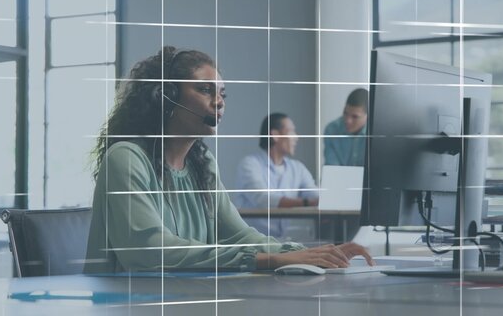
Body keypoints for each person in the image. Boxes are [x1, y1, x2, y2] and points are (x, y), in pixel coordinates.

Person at [84, 47, 374, 273]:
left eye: (222, 93)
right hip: (126, 303)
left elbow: (238, 234)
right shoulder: (126, 158)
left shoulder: (203, 164)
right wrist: (268, 259)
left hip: (182, 298)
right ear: (167, 96)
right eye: (205, 89)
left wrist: (305, 252)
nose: (219, 102)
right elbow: (148, 252)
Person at [232, 113, 319, 239]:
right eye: (291, 131)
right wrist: (307, 203)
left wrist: (326, 199)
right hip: (251, 241)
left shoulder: (297, 168)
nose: (296, 137)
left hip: (281, 240)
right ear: (275, 135)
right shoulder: (250, 164)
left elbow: (314, 194)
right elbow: (263, 199)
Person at [323, 88, 368, 166]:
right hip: (339, 177)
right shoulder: (332, 130)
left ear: (368, 116)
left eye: (354, 116)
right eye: (345, 113)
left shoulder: (378, 134)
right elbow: (333, 170)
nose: (348, 120)